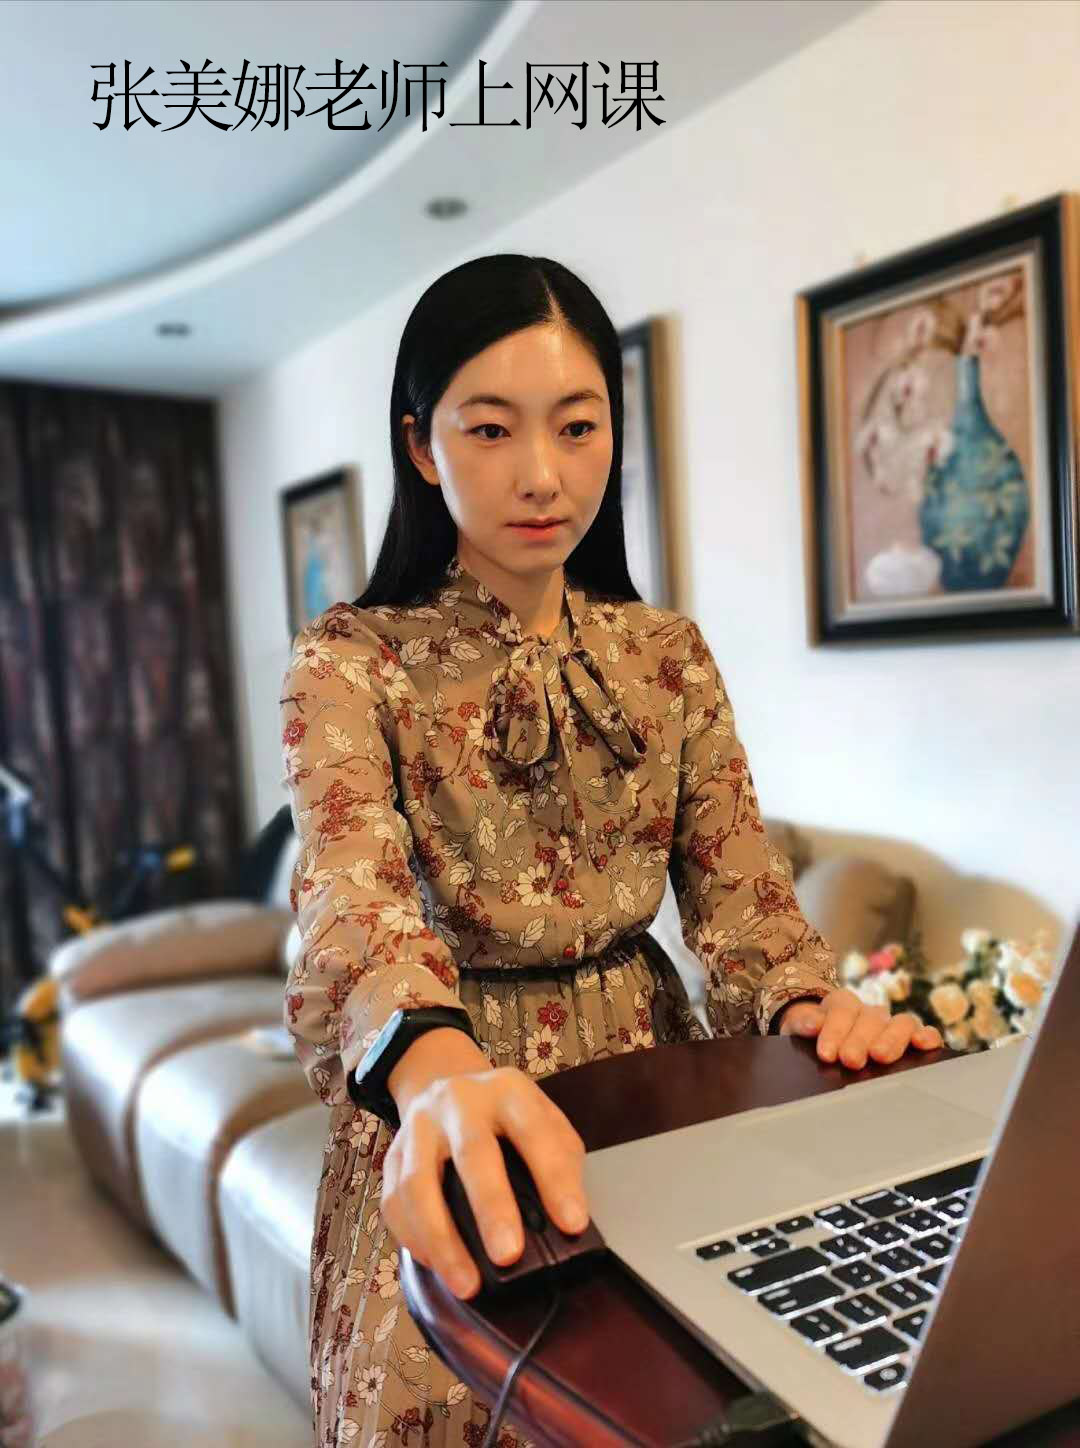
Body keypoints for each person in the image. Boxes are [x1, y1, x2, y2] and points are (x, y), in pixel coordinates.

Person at [278, 254, 945, 1447]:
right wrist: (434, 1067)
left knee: (681, 1405)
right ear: (422, 445)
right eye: (491, 428)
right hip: (453, 1097)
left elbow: (743, 899)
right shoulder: (351, 660)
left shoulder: (668, 652)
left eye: (578, 426)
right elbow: (351, 896)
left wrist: (812, 1005)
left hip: (652, 1087)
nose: (543, 474)